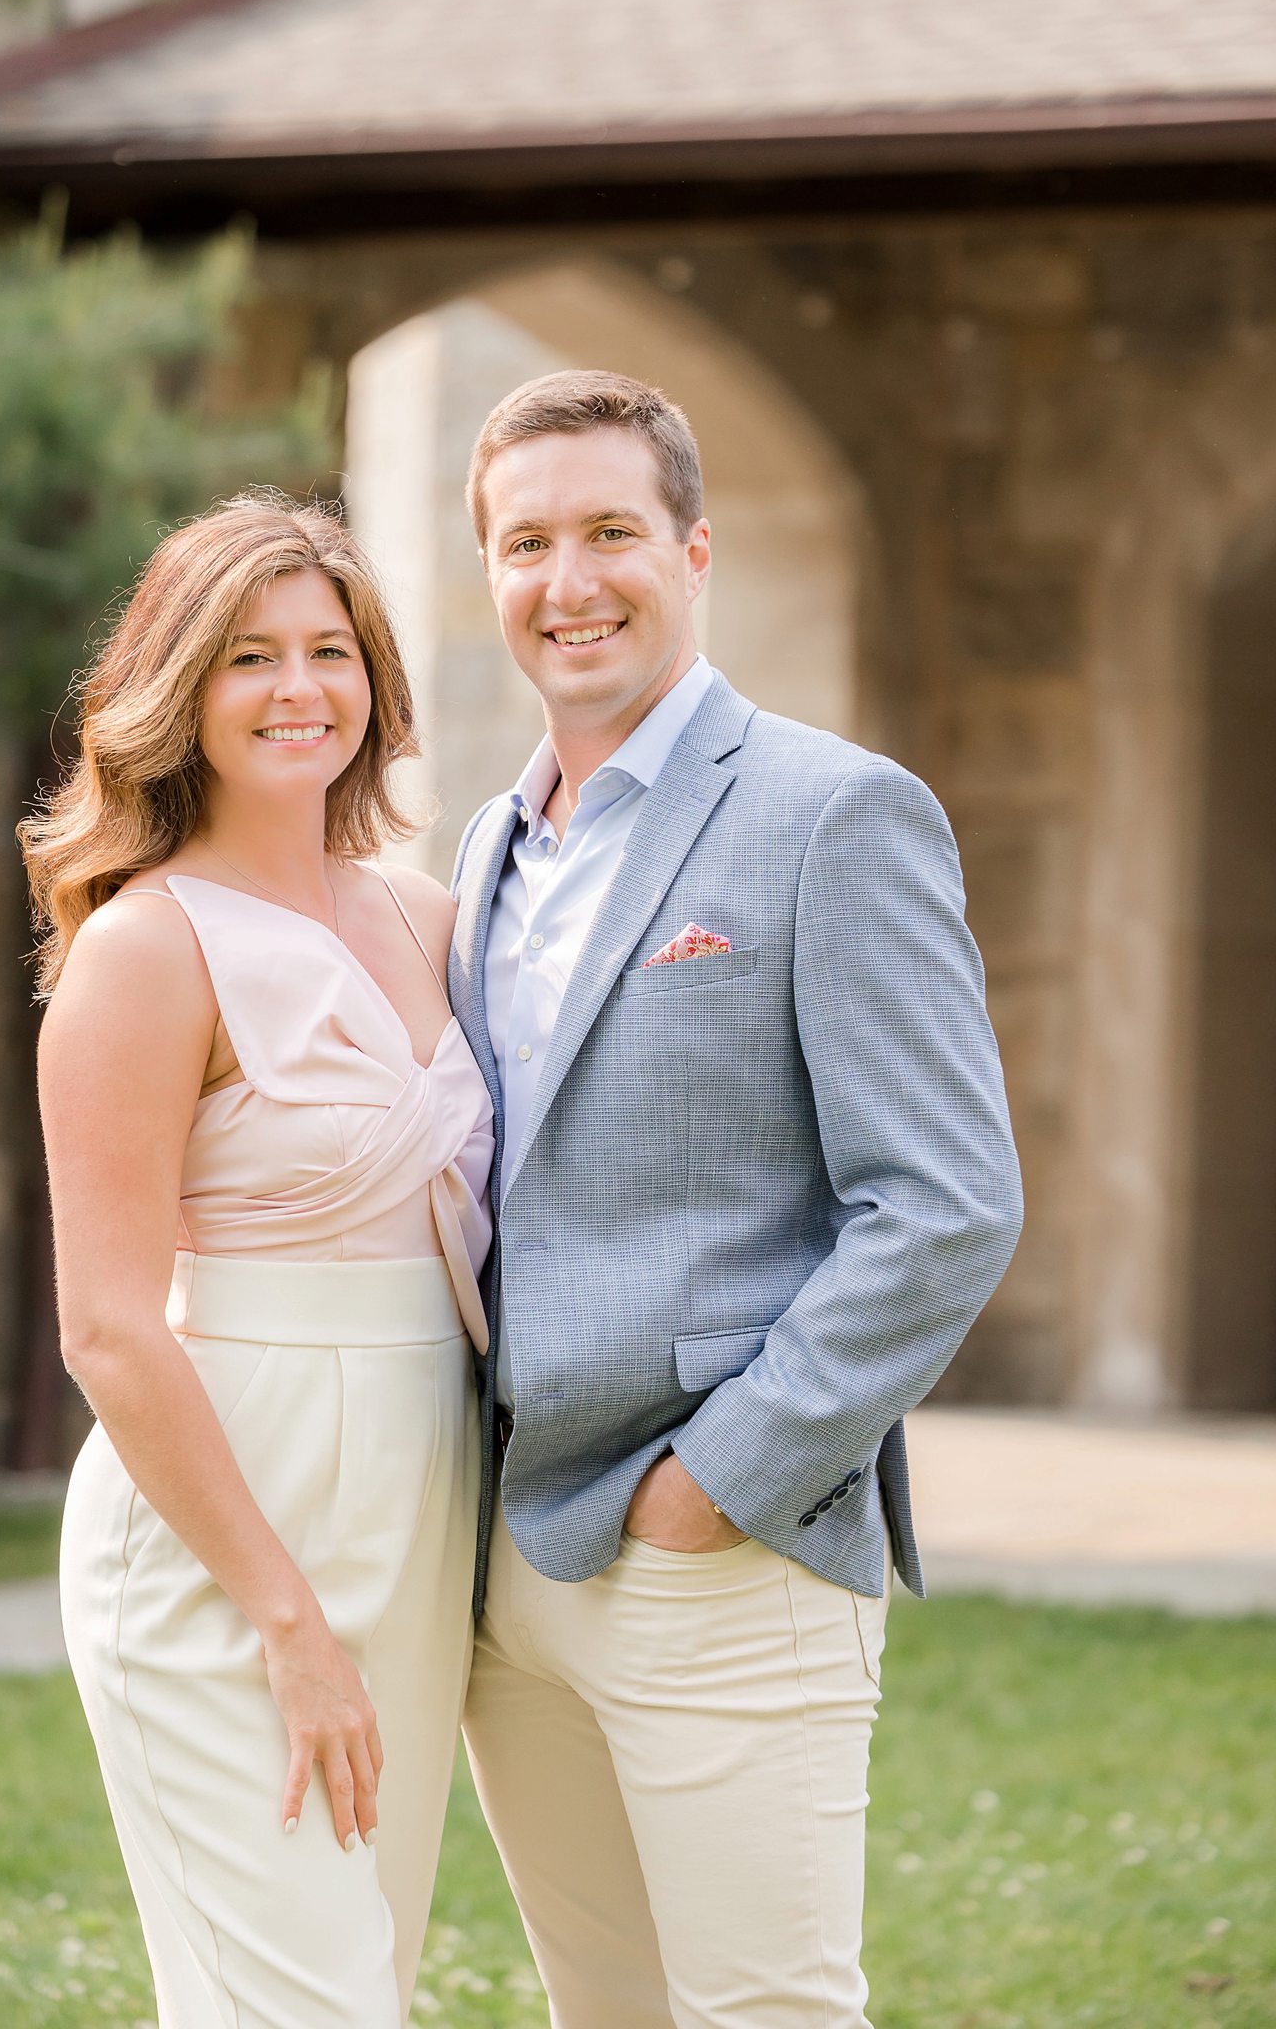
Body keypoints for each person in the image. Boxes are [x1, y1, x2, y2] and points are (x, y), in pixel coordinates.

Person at [447, 371, 1024, 2029]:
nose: (572, 582)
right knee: (602, 2016)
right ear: (490, 572)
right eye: (528, 542)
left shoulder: (832, 814)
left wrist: (720, 1479)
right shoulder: (492, 847)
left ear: (693, 551)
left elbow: (945, 1203)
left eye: (612, 531)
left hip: (724, 1554)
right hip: (511, 1569)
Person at [21, 493, 493, 2029]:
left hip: (424, 1500)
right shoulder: (146, 949)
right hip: (228, 1531)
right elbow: (107, 1331)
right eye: (248, 659)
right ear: (179, 694)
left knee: (369, 1974)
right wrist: (282, 1617)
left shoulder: (429, 919)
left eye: (329, 651)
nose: (301, 690)